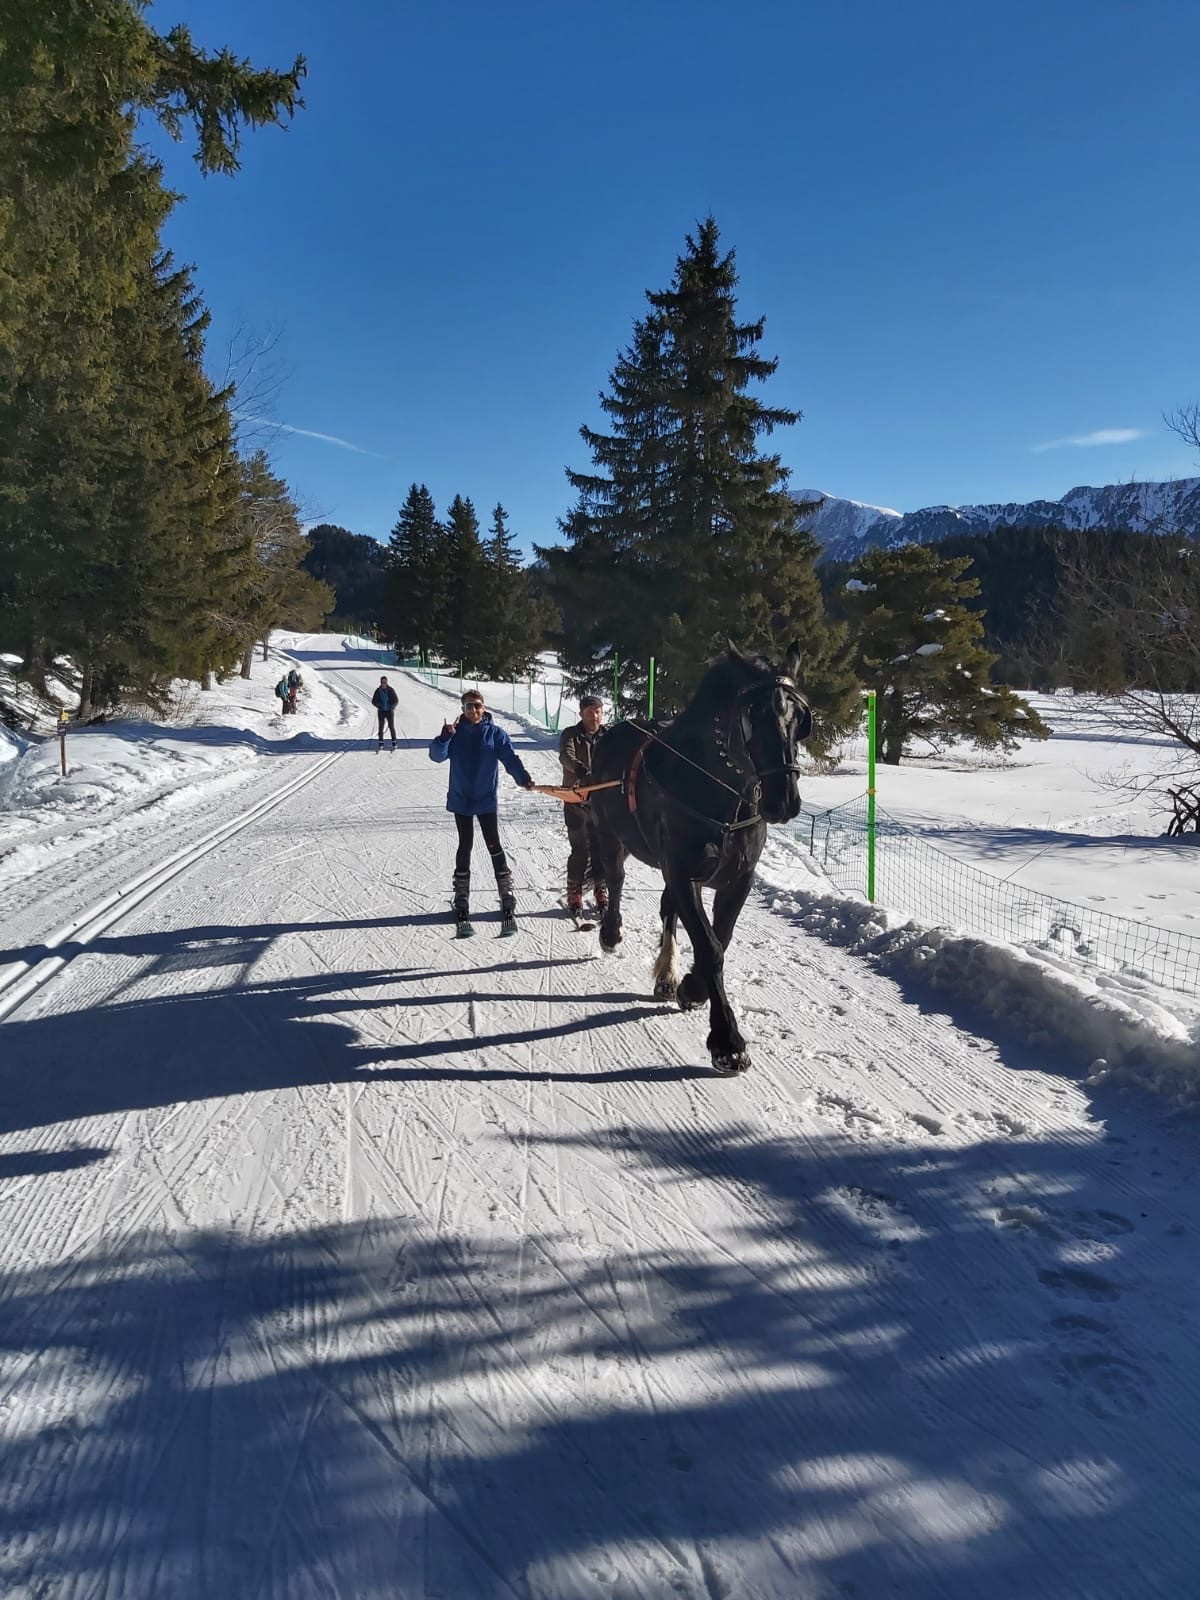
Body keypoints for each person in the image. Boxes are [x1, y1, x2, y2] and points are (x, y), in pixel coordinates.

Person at [429, 690, 534, 932]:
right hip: (461, 799)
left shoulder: (495, 733)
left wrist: (523, 778)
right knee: (465, 844)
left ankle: (506, 893)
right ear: (462, 709)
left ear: (484, 707)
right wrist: (444, 738)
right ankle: (461, 896)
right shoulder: (454, 734)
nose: (472, 711)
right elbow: (436, 756)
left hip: (485, 799)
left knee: (493, 844)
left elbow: (509, 758)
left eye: (476, 706)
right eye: (468, 707)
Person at [558, 693, 608, 917]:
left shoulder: (609, 736)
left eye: (597, 712)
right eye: (589, 712)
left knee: (601, 849)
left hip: (602, 805)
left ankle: (600, 889)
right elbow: (565, 756)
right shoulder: (571, 734)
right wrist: (579, 770)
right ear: (581, 714)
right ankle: (574, 891)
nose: (594, 716)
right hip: (575, 801)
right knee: (580, 850)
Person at [372, 675, 398, 748]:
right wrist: (378, 705)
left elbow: (396, 700)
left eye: (385, 682)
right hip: (381, 711)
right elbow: (373, 701)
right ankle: (381, 742)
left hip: (389, 711)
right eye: (382, 682)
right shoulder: (377, 691)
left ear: (387, 682)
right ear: (380, 682)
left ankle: (394, 742)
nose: (383, 683)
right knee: (381, 727)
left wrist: (392, 706)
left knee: (391, 726)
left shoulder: (390, 690)